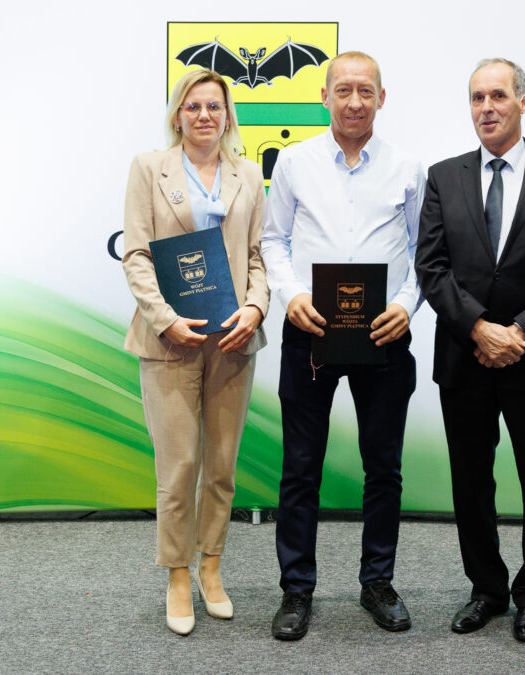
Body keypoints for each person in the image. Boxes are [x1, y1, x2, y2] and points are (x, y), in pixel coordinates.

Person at [415, 58, 525, 642]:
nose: (486, 108)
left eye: (497, 95)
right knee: (471, 484)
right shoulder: (443, 177)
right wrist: (478, 328)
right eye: (477, 98)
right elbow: (432, 268)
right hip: (464, 358)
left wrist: (518, 333)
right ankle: (487, 590)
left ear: (523, 101)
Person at [260, 51, 426, 640]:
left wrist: (407, 304)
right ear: (325, 96)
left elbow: (424, 252)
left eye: (365, 91)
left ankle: (377, 581)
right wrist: (290, 296)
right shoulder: (294, 162)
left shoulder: (408, 168)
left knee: (383, 467)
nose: (354, 101)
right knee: (300, 467)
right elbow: (273, 240)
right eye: (344, 90)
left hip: (384, 333)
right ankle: (296, 589)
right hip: (309, 331)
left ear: (382, 97)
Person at [121, 69, 269, 636]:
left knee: (222, 466)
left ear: (228, 116)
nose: (204, 115)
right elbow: (136, 255)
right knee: (179, 466)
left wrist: (255, 308)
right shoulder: (148, 168)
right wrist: (166, 319)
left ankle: (212, 566)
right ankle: (178, 574)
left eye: (214, 106)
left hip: (231, 340)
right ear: (177, 115)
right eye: (193, 106)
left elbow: (257, 256)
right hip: (169, 341)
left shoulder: (248, 175)